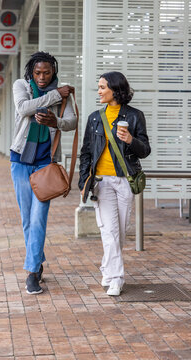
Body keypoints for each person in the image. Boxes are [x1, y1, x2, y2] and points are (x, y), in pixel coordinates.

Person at [79, 71, 151, 296]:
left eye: (102, 87)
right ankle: (117, 278)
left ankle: (107, 269)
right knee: (109, 230)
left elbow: (145, 150)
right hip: (102, 182)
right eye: (99, 87)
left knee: (119, 231)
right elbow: (86, 153)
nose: (99, 91)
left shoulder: (135, 116)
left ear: (115, 90)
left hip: (125, 180)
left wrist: (130, 140)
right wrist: (84, 181)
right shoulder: (94, 118)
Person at [10, 51, 77, 295]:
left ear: (53, 72)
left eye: (46, 72)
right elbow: (23, 108)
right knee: (27, 218)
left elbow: (71, 122)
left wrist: (54, 122)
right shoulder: (22, 86)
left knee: (38, 217)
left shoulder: (63, 95)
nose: (41, 77)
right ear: (31, 72)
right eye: (37, 72)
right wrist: (52, 96)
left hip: (44, 164)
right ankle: (37, 261)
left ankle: (32, 273)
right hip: (20, 160)